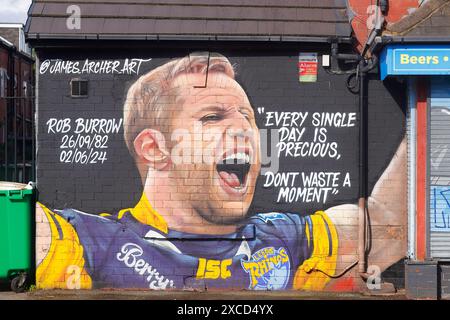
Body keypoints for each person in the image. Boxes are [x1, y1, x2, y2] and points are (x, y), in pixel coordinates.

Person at [36, 52, 406, 291]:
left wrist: (438, 116)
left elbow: (389, 223)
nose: (244, 129)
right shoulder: (89, 243)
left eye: (248, 117)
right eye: (212, 117)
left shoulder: (286, 237)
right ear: (155, 147)